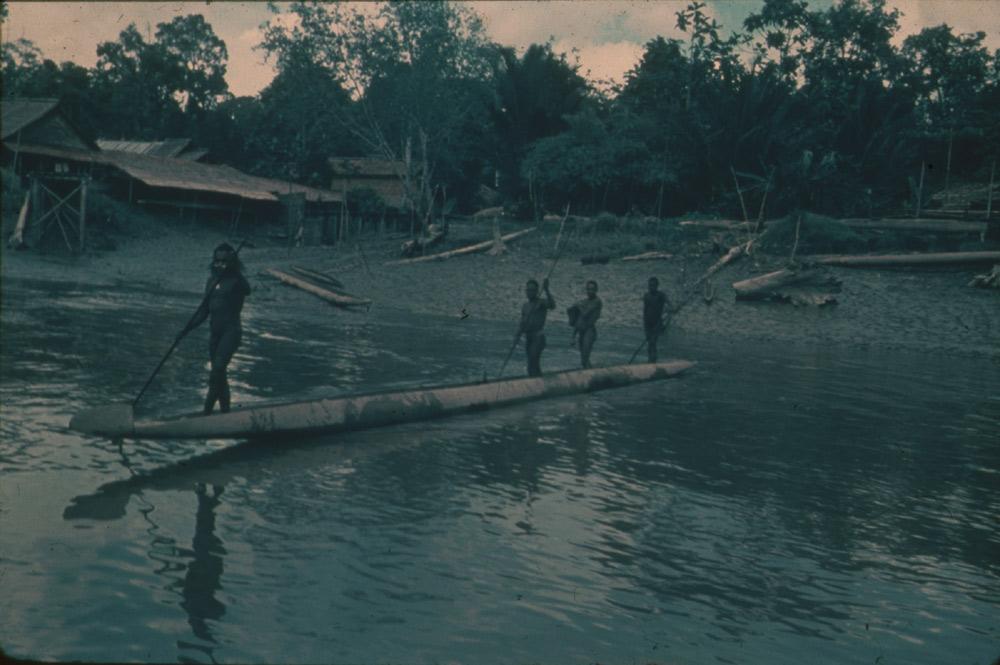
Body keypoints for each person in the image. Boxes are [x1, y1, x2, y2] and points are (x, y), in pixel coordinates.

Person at [181, 243, 251, 415]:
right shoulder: (211, 282)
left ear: (231, 262)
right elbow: (203, 311)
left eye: (224, 261)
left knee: (218, 369)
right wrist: (185, 330)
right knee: (219, 374)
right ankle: (225, 413)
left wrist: (234, 270)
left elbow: (247, 290)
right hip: (215, 333)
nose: (219, 265)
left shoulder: (236, 282)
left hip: (231, 332)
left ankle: (206, 413)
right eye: (217, 261)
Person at [516, 278, 555, 377]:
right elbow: (522, 323)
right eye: (528, 290)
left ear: (537, 292)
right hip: (529, 338)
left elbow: (552, 305)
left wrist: (546, 290)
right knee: (532, 364)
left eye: (532, 290)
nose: (530, 292)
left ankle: (537, 382)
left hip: (538, 338)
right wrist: (517, 335)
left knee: (533, 361)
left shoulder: (541, 303)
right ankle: (538, 380)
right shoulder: (525, 306)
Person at [570, 280, 602, 369]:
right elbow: (578, 320)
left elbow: (585, 313)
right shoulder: (584, 302)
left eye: (592, 289)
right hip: (581, 331)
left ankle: (591, 375)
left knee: (585, 358)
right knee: (584, 360)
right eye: (588, 289)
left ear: (596, 290)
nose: (589, 291)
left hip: (590, 331)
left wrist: (578, 305)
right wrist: (573, 336)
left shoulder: (597, 301)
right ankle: (591, 374)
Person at [643, 277, 670, 363]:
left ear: (657, 286)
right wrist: (645, 324)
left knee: (653, 342)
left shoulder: (661, 295)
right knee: (649, 343)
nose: (651, 287)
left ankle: (653, 361)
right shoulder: (646, 296)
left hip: (657, 323)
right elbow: (645, 310)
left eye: (653, 285)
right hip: (648, 324)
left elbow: (669, 304)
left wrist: (671, 310)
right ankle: (650, 360)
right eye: (650, 285)